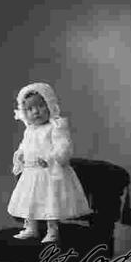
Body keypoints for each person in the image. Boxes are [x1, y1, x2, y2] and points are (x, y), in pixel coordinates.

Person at [7, 82, 92, 243]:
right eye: (30, 109)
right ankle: (31, 228)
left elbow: (64, 147)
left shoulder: (55, 127)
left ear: (50, 105)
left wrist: (49, 158)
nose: (36, 112)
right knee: (30, 201)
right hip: (31, 173)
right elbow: (24, 147)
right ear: (24, 112)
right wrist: (21, 156)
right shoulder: (30, 130)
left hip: (50, 172)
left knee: (50, 201)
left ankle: (52, 230)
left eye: (40, 106)